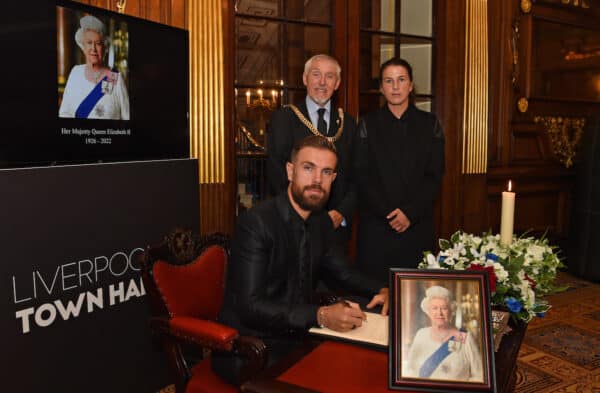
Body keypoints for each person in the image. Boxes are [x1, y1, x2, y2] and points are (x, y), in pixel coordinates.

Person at [213, 135, 389, 385]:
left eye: (326, 172)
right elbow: (250, 307)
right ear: (290, 170)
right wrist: (321, 315)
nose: (317, 180)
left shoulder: (320, 222)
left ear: (334, 179)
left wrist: (383, 289)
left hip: (298, 338)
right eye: (308, 168)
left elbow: (343, 273)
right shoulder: (256, 223)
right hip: (250, 349)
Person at [355, 57, 445, 284]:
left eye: (401, 79)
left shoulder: (429, 124)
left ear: (411, 85)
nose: (395, 87)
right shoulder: (367, 124)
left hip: (416, 226)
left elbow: (434, 176)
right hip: (377, 227)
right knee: (374, 300)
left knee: (417, 300)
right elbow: (361, 176)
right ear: (381, 88)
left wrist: (409, 214)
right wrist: (390, 214)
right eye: (388, 81)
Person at [267, 54, 357, 246]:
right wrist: (300, 213)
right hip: (294, 225)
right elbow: (276, 171)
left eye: (330, 76)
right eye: (316, 74)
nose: (322, 82)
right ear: (305, 78)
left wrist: (341, 213)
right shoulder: (284, 119)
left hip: (335, 229)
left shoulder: (348, 124)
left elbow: (357, 175)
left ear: (338, 83)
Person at [404, 286, 483, 382]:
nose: (439, 313)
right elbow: (410, 370)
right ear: (428, 311)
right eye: (434, 308)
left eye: (444, 308)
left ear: (451, 311)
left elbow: (479, 376)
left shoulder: (464, 337)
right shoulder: (421, 335)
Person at [59, 15, 129, 120]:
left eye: (98, 43)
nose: (93, 49)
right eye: (89, 43)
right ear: (83, 46)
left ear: (105, 47)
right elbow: (64, 113)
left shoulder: (115, 78)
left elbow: (126, 117)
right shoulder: (75, 72)